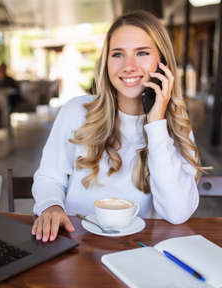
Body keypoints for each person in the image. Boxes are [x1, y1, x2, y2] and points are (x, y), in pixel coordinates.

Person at [31, 10, 204, 242]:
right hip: (75, 245)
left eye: (142, 53)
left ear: (162, 62)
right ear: (106, 62)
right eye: (118, 54)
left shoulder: (173, 126)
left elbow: (177, 213)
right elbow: (49, 177)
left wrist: (155, 124)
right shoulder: (76, 112)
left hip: (138, 251)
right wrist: (51, 206)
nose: (128, 66)